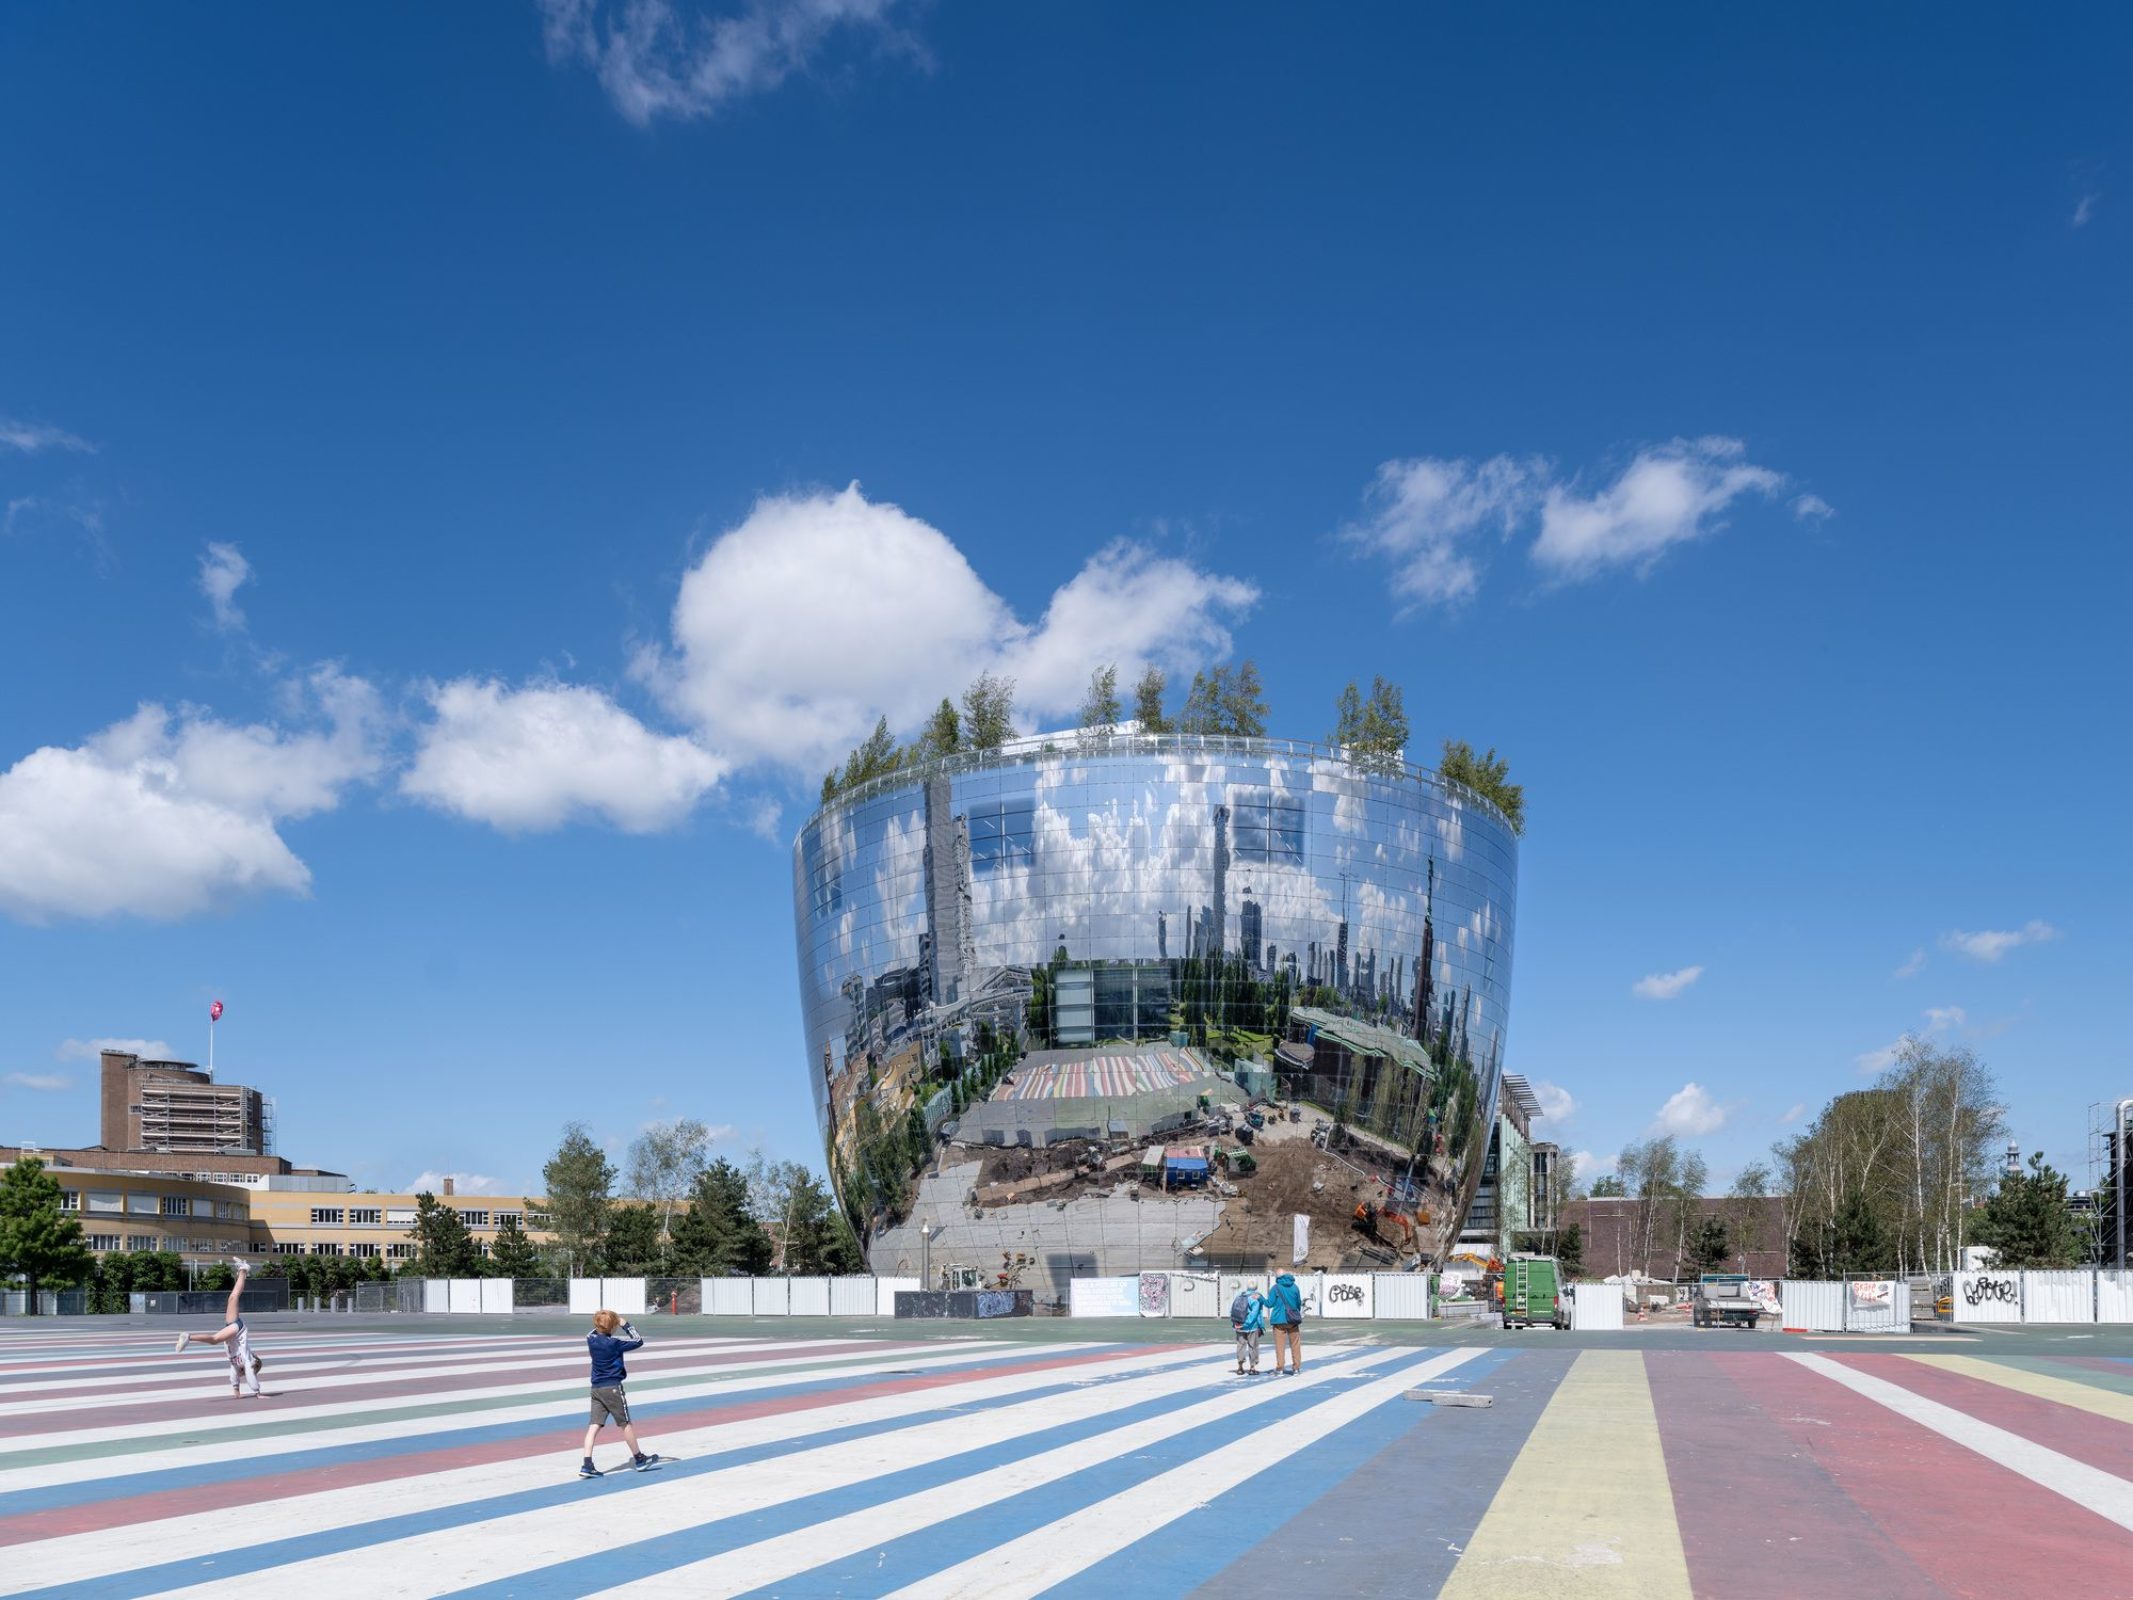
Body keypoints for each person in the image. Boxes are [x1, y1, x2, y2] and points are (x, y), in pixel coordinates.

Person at [580, 1308, 661, 1479]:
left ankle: (587, 1464)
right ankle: (639, 1459)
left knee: (594, 1426)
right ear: (613, 1327)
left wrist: (605, 1321)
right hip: (613, 1388)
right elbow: (638, 1341)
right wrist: (626, 1325)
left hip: (596, 1388)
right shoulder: (614, 1343)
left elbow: (592, 1330)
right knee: (625, 1423)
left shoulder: (591, 1339)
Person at [173, 1257, 265, 1398]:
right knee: (215, 1337)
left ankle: (243, 1269)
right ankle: (189, 1337)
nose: (242, 1374)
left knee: (232, 1298)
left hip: (231, 1331)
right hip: (237, 1330)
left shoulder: (236, 1366)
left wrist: (236, 1391)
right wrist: (257, 1392)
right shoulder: (247, 1361)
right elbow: (250, 1374)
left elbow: (233, 1377)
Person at [1267, 1269, 1305, 1376]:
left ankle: (1280, 1369)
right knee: (1295, 1345)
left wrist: (1260, 1299)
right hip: (1292, 1320)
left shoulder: (1276, 1288)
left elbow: (1269, 1304)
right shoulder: (1295, 1287)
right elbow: (1298, 1303)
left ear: (1277, 1277)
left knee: (1280, 1346)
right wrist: (1294, 1313)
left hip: (1279, 1321)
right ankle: (1296, 1368)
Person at [1229, 1283, 1268, 1375]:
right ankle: (1252, 1368)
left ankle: (1240, 1367)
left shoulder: (1239, 1296)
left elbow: (1232, 1311)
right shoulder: (1255, 1298)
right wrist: (1246, 1324)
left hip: (1238, 1325)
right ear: (1256, 1287)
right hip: (1251, 1327)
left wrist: (1238, 1323)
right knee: (1253, 1346)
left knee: (1240, 1346)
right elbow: (1254, 1314)